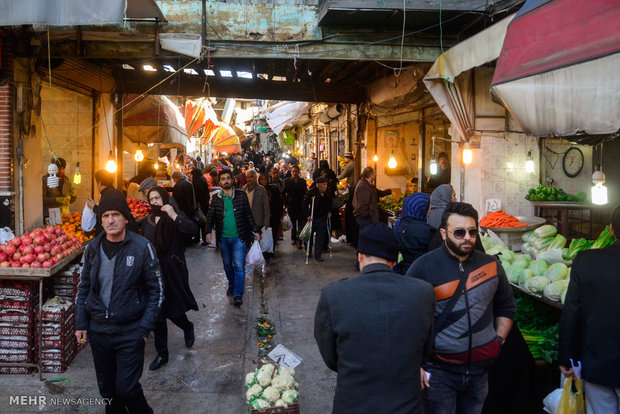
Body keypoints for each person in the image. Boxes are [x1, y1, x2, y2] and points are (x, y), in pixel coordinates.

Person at [406, 202, 515, 414]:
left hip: (480, 373)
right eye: (459, 232)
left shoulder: (492, 266)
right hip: (439, 373)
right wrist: (415, 364)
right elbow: (406, 319)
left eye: (472, 231)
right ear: (443, 233)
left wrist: (499, 339)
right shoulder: (423, 268)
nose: (467, 237)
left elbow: (506, 306)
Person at [314, 222, 436, 414]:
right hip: (407, 406)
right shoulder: (423, 292)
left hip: (354, 405)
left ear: (360, 256)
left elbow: (330, 356)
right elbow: (426, 349)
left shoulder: (334, 295)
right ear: (394, 262)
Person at [75, 190, 163, 414]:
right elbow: (83, 287)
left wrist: (144, 328)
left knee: (127, 388)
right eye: (105, 215)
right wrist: (81, 323)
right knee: (108, 393)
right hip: (99, 332)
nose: (110, 220)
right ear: (100, 219)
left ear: (125, 217)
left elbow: (157, 291)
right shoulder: (92, 249)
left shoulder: (142, 248)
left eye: (115, 214)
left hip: (130, 331)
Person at [559, 205, 620, 414]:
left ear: (611, 229)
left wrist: (566, 357)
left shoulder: (586, 261)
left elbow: (571, 313)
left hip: (597, 363)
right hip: (597, 364)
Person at [142, 186, 198, 371]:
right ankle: (162, 354)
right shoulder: (147, 221)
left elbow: (192, 230)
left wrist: (173, 214)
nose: (155, 201)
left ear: (164, 198)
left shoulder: (175, 216)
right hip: (153, 274)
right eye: (152, 199)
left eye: (158, 197)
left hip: (172, 271)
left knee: (173, 311)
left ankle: (187, 326)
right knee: (158, 315)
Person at [206, 169, 259, 307]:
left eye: (228, 178)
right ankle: (232, 284)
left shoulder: (241, 195)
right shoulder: (216, 198)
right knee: (228, 266)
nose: (226, 181)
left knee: (239, 267)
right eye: (223, 179)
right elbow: (210, 216)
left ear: (232, 179)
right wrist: (208, 232)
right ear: (219, 182)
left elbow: (248, 214)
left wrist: (255, 230)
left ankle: (237, 294)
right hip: (223, 238)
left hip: (239, 238)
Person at [394, 192, 435, 274]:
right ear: (422, 208)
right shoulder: (427, 231)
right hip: (422, 272)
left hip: (404, 270)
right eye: (428, 207)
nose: (430, 210)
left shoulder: (400, 224)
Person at [352, 166, 391, 232]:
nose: (375, 175)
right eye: (374, 173)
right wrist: (368, 217)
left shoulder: (367, 184)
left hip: (367, 218)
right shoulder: (363, 186)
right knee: (366, 237)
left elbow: (377, 192)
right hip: (365, 219)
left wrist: (389, 191)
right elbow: (362, 205)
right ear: (370, 175)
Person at [303, 177, 331, 262]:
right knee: (310, 236)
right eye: (323, 184)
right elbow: (304, 204)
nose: (325, 186)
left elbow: (330, 203)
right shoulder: (311, 192)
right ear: (318, 185)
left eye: (326, 184)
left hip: (322, 217)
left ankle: (318, 254)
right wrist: (307, 215)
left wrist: (329, 211)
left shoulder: (327, 193)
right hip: (312, 218)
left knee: (320, 237)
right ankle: (309, 250)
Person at [259, 173, 284, 259]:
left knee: (273, 233)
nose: (263, 181)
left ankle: (271, 250)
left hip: (274, 215)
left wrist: (280, 212)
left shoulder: (273, 189)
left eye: (265, 179)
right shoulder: (258, 190)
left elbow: (279, 202)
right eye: (261, 180)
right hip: (262, 216)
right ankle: (264, 250)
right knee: (263, 233)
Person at [282, 165, 307, 249]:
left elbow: (305, 193)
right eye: (293, 171)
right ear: (291, 172)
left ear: (298, 172)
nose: (294, 173)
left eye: (296, 171)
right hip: (291, 205)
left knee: (300, 223)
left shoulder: (302, 181)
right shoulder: (287, 181)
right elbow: (283, 192)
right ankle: (293, 238)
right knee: (292, 223)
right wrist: (286, 202)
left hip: (300, 205)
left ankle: (299, 240)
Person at [242, 169, 270, 233]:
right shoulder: (244, 189)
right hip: (246, 222)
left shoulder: (262, 190)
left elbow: (266, 207)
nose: (249, 179)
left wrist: (266, 222)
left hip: (258, 221)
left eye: (251, 177)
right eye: (247, 177)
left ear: (255, 177)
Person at [337, 152, 357, 246]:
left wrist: (336, 179)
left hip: (352, 187)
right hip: (352, 186)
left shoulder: (350, 165)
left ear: (347, 158)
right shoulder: (354, 163)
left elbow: (343, 174)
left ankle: (351, 237)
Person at [190, 168, 210, 245]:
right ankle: (199, 237)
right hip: (204, 204)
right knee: (201, 221)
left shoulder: (198, 181)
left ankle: (203, 239)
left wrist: (198, 203)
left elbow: (199, 194)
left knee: (201, 221)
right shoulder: (202, 179)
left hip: (201, 204)